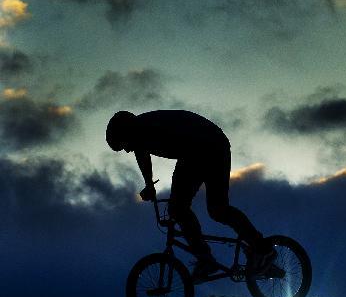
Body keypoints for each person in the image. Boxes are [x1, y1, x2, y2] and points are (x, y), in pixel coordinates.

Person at [106, 110, 273, 278]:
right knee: (217, 210)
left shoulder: (145, 130)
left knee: (182, 208)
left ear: (127, 132)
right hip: (210, 146)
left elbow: (178, 161)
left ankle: (211, 258)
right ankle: (257, 248)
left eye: (124, 145)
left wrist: (155, 188)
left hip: (203, 149)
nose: (127, 150)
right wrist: (149, 185)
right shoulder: (141, 132)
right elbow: (144, 158)